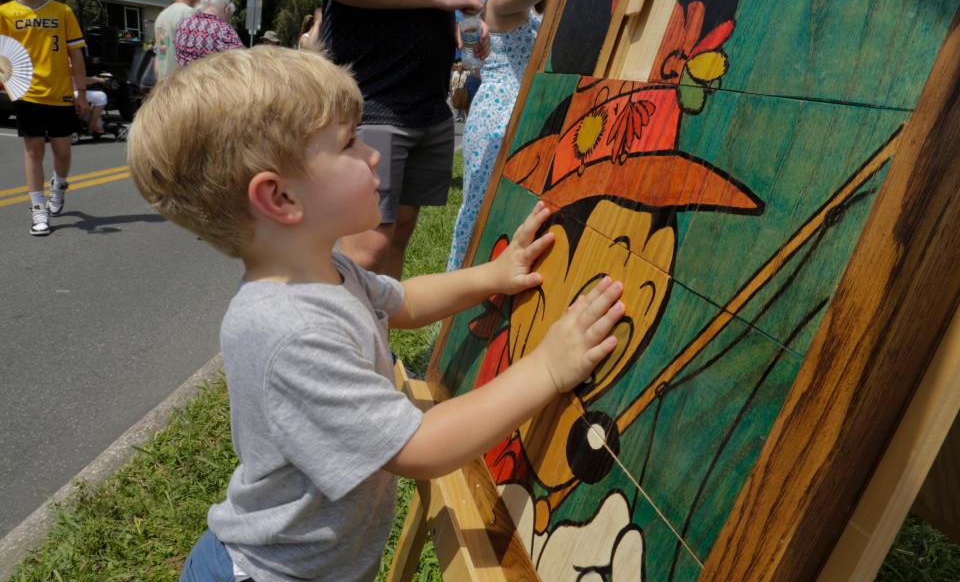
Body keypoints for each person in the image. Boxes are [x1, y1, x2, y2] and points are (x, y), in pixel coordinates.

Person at [126, 46, 624, 582]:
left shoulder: (325, 271)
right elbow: (421, 447)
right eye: (349, 143)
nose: (372, 155)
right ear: (279, 197)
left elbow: (403, 301)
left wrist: (493, 276)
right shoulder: (289, 331)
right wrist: (547, 368)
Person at [308, 0, 490, 279]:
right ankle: (331, 328)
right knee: (367, 251)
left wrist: (456, 23)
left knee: (397, 238)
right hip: (373, 101)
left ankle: (378, 330)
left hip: (426, 108)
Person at [447, 0, 557, 270]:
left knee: (507, 215)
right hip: (499, 118)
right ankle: (458, 298)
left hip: (511, 113)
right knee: (482, 214)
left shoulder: (522, 7)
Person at [0, 0, 89, 236]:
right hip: (25, 92)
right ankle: (38, 210)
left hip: (60, 92)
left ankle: (59, 185)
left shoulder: (63, 12)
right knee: (33, 150)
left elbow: (76, 55)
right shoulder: (4, 13)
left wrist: (82, 92)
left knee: (63, 151)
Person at [174, 0, 243, 67]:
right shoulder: (224, 30)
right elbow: (243, 64)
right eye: (230, 16)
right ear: (227, 9)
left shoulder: (183, 24)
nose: (229, 21)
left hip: (183, 79)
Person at [153, 0, 206, 80]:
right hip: (185, 91)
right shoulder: (192, 15)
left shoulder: (161, 17)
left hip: (164, 91)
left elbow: (159, 59)